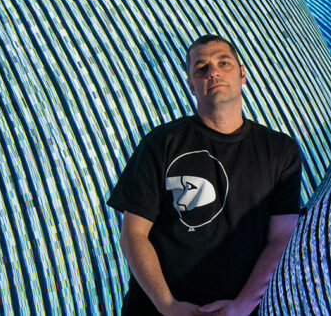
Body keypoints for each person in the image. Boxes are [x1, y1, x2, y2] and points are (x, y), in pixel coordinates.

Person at [107, 34, 302, 315]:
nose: (213, 71)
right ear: (191, 85)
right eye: (201, 68)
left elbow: (281, 238)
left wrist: (242, 306)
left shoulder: (280, 150)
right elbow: (134, 234)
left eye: (224, 62)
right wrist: (168, 306)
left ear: (242, 74)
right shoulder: (161, 143)